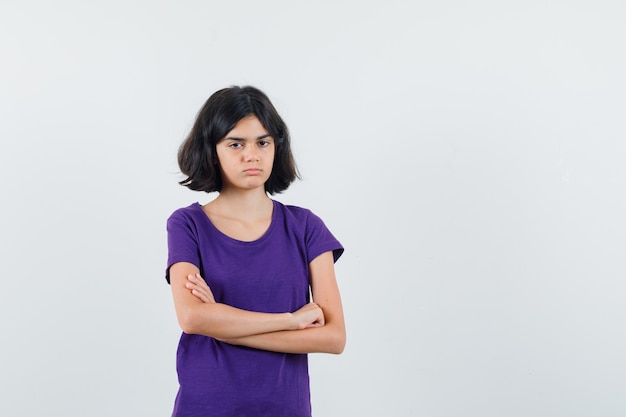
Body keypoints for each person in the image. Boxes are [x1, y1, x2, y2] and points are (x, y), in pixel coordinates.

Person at [165, 85, 346, 417]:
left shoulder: (306, 227)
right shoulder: (187, 224)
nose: (252, 155)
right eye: (236, 144)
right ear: (212, 150)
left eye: (263, 142)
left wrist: (222, 324)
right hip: (205, 408)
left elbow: (333, 337)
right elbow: (192, 317)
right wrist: (290, 321)